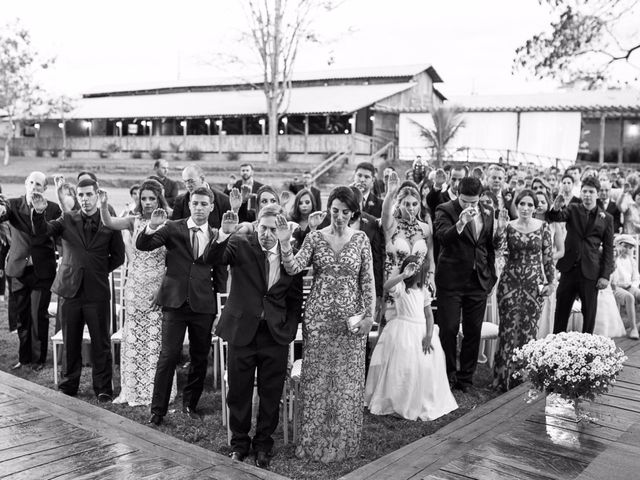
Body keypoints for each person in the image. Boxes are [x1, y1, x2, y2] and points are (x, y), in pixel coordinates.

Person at [278, 186, 375, 463]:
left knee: (346, 383)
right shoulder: (314, 238)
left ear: (353, 212)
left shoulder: (361, 240)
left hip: (350, 323)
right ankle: (313, 443)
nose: (340, 217)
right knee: (317, 381)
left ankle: (343, 443)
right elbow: (293, 268)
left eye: (345, 212)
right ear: (329, 209)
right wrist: (286, 243)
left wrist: (369, 316)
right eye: (335, 211)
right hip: (318, 321)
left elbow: (368, 282)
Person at [208, 205, 303, 468]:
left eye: (274, 229)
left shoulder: (290, 257)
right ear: (256, 225)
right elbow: (212, 258)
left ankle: (263, 444)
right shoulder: (240, 245)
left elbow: (294, 300)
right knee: (238, 390)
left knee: (271, 393)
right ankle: (239, 443)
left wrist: (289, 327)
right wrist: (222, 235)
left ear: (281, 229)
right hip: (242, 331)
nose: (267, 234)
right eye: (263, 227)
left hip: (275, 335)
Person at [137, 186, 226, 426]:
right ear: (189, 205)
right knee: (168, 356)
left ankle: (190, 404)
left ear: (211, 207)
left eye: (203, 204)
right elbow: (143, 245)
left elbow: (220, 274)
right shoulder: (173, 228)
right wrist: (152, 227)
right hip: (175, 302)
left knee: (199, 357)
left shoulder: (217, 235)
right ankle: (158, 410)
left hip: (204, 305)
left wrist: (219, 310)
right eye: (195, 203)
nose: (198, 207)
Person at [31, 179, 125, 401]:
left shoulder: (109, 222)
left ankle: (103, 388)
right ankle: (68, 384)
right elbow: (43, 232)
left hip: (97, 291)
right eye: (81, 195)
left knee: (100, 342)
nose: (84, 199)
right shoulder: (67, 218)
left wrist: (98, 270)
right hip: (70, 289)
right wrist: (38, 213)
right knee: (70, 340)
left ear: (97, 195)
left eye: (88, 195)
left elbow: (118, 256)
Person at [98, 180, 177, 406]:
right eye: (144, 198)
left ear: (159, 199)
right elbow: (109, 222)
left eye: (152, 198)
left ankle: (156, 390)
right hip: (134, 287)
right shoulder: (134, 221)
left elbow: (171, 263)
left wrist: (161, 290)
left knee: (156, 340)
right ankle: (132, 388)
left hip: (158, 287)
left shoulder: (168, 224)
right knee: (133, 338)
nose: (148, 202)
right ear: (139, 200)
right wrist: (104, 204)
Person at [434, 176, 506, 392]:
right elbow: (442, 238)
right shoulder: (444, 209)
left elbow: (489, 246)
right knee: (449, 329)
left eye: (474, 202)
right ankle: (447, 375)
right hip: (451, 280)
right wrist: (461, 222)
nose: (470, 206)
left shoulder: (488, 211)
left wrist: (491, 275)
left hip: (478, 280)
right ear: (458, 193)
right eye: (466, 201)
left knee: (473, 330)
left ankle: (466, 379)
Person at [365, 255, 457, 420]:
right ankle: (398, 398)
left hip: (421, 331)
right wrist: (402, 276)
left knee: (424, 365)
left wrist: (429, 335)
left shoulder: (424, 291)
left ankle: (421, 398)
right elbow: (386, 286)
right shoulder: (400, 287)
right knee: (402, 366)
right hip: (403, 331)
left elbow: (429, 316)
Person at [493, 190, 554, 391]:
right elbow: (497, 248)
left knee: (528, 331)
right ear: (516, 205)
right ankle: (502, 380)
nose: (526, 208)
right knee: (507, 331)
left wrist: (550, 282)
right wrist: (500, 229)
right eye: (522, 204)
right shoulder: (508, 226)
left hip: (533, 285)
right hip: (509, 284)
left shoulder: (543, 227)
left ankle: (523, 381)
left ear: (535, 207)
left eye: (530, 205)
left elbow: (548, 258)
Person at [0, 172, 62, 371]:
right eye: (32, 183)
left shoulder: (52, 208)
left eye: (39, 184)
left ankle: (38, 359)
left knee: (38, 315)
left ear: (44, 189)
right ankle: (24, 357)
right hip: (19, 268)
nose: (35, 187)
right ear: (26, 184)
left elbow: (56, 234)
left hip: (42, 269)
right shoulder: (12, 204)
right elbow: (2, 214)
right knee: (22, 316)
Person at [549, 176, 614, 334]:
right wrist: (556, 208)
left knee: (589, 314)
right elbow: (555, 217)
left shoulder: (607, 218)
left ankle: (587, 352)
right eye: (584, 191)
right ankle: (556, 349)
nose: (587, 195)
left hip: (591, 272)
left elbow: (608, 249)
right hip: (569, 269)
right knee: (561, 312)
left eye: (591, 192)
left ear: (597, 194)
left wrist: (605, 275)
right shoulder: (573, 208)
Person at [381, 172, 434, 321]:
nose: (411, 208)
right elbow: (385, 213)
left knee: (416, 327)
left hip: (418, 286)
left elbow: (430, 258)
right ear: (399, 204)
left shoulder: (425, 228)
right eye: (406, 204)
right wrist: (390, 193)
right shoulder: (392, 225)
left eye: (414, 204)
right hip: (394, 285)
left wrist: (432, 277)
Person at [610, 234, 640, 339]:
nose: (627, 249)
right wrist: (615, 257)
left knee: (637, 294)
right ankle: (633, 328)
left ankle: (638, 325)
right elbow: (612, 278)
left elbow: (636, 277)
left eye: (630, 247)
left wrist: (633, 287)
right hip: (616, 287)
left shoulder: (631, 261)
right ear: (617, 245)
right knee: (629, 297)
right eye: (625, 246)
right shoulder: (614, 259)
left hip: (629, 286)